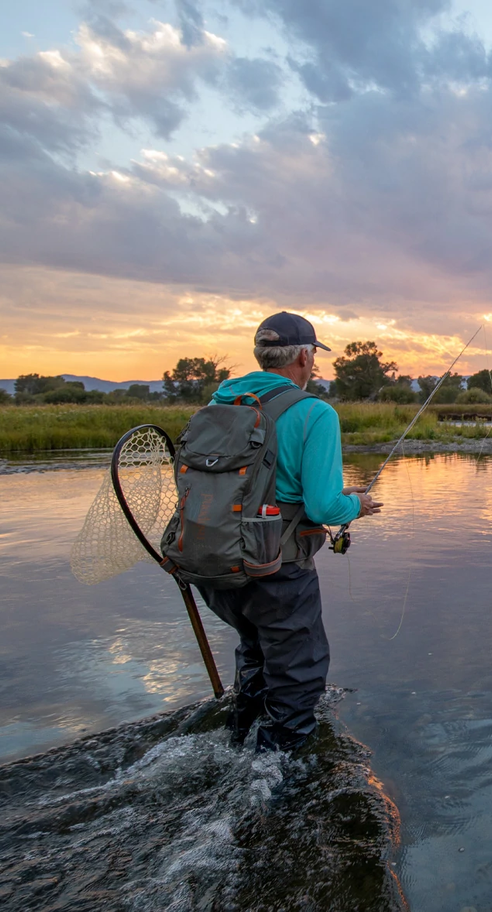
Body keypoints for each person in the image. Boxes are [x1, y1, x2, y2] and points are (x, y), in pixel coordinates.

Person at [199, 312, 382, 752]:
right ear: (304, 355)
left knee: (256, 656)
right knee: (298, 677)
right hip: (276, 571)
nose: (313, 364)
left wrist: (334, 492)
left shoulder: (220, 402)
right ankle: (275, 786)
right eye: (313, 356)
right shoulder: (314, 412)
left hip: (215, 564)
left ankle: (239, 742)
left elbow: (260, 483)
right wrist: (357, 503)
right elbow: (324, 507)